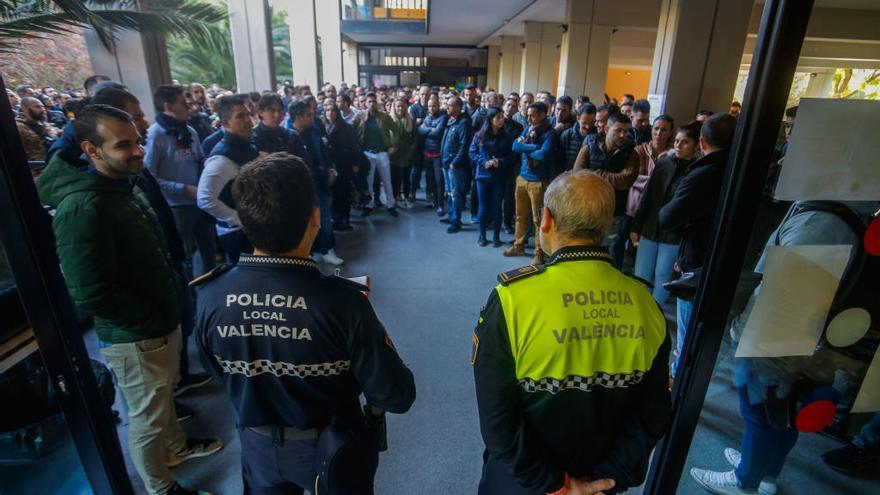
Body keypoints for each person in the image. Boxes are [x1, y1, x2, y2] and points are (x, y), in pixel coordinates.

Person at [194, 152, 416, 495]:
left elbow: (218, 370)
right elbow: (396, 394)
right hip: (330, 449)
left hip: (256, 447)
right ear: (315, 218)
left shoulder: (210, 295)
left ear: (244, 220)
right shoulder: (344, 302)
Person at [36, 105, 221, 495]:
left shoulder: (122, 185)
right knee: (147, 417)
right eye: (125, 145)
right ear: (91, 149)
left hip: (158, 323)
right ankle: (161, 487)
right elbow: (89, 291)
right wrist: (147, 317)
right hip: (136, 335)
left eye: (137, 140)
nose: (139, 150)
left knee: (162, 398)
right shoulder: (81, 207)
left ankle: (176, 447)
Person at [473, 170, 672, 495]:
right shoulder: (645, 304)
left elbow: (499, 424)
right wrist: (608, 478)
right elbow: (652, 414)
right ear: (608, 225)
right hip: (601, 481)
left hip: (524, 483)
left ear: (546, 219)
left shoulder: (512, 300)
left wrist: (559, 485)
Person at [690, 200, 876, 495]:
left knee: (760, 411)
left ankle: (745, 480)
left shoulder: (821, 222)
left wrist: (750, 329)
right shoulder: (844, 217)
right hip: (797, 337)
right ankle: (765, 472)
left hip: (775, 335)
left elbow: (786, 295)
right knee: (783, 412)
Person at [659, 113, 737, 377]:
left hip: (699, 263)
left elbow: (668, 217)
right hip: (728, 262)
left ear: (701, 143)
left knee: (688, 333)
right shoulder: (740, 169)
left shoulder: (704, 174)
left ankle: (678, 381)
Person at [145, 85, 216, 278]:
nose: (189, 107)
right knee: (184, 255)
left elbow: (199, 158)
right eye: (183, 103)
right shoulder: (156, 135)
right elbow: (149, 177)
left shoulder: (190, 131)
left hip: (200, 201)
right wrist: (182, 188)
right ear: (168, 106)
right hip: (176, 206)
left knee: (209, 250)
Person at [630, 121, 701, 304]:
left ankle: (655, 312)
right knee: (641, 274)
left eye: (685, 142)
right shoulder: (664, 162)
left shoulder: (696, 170)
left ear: (696, 145)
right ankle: (639, 309)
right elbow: (647, 196)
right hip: (650, 227)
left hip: (674, 233)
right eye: (677, 141)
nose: (678, 145)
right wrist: (636, 225)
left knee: (663, 274)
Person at [574, 113, 639, 269]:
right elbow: (578, 174)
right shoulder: (590, 145)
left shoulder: (631, 153)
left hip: (614, 212)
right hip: (588, 209)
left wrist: (597, 174)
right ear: (606, 128)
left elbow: (626, 180)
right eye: (618, 130)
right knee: (585, 250)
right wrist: (611, 177)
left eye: (626, 131)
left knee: (610, 255)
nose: (623, 135)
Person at [198, 95, 257, 264]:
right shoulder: (221, 159)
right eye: (240, 116)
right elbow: (204, 199)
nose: (247, 120)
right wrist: (237, 219)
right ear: (225, 123)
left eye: (247, 114)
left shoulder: (245, 145)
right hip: (237, 234)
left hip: (251, 229)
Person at [287, 100, 344, 266]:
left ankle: (326, 249)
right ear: (298, 117)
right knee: (304, 221)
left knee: (325, 218)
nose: (313, 116)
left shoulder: (313, 131)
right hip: (300, 186)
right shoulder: (288, 135)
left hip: (320, 182)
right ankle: (307, 252)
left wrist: (329, 169)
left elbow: (323, 153)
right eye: (309, 114)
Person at [504, 102, 556, 265]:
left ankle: (539, 253)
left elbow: (543, 155)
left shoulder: (550, 134)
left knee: (538, 220)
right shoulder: (528, 130)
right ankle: (518, 245)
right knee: (520, 216)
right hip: (522, 178)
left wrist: (526, 148)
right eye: (528, 114)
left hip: (538, 182)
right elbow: (515, 146)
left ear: (543, 115)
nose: (529, 117)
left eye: (532, 114)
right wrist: (533, 146)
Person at [470, 107, 514, 247]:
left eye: (502, 117)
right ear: (490, 119)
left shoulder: (507, 137)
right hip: (482, 176)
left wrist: (499, 161)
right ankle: (482, 235)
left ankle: (496, 237)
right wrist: (484, 162)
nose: (501, 120)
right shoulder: (479, 135)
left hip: (499, 176)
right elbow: (472, 152)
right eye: (498, 117)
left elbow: (512, 157)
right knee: (483, 207)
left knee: (496, 207)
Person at [355, 92, 399, 217]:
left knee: (387, 180)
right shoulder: (361, 116)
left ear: (377, 102)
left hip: (382, 153)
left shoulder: (384, 117)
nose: (371, 104)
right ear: (365, 103)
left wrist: (393, 146)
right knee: (368, 182)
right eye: (369, 101)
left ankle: (391, 205)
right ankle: (369, 205)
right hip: (367, 153)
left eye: (374, 101)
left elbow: (395, 131)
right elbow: (351, 129)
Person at [322, 99, 360, 232]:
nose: (330, 113)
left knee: (344, 193)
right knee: (334, 194)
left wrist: (355, 163)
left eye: (332, 110)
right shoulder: (324, 127)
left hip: (344, 164)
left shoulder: (346, 127)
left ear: (337, 112)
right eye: (327, 110)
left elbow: (354, 146)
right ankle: (336, 220)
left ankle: (345, 220)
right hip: (331, 165)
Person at [440, 95, 472, 233]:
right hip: (446, 163)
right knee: (450, 192)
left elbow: (464, 146)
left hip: (455, 166)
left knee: (456, 193)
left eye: (451, 105)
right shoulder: (451, 120)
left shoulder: (463, 123)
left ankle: (456, 220)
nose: (448, 107)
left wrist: (455, 162)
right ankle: (452, 215)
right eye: (447, 104)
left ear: (459, 107)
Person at [502, 99, 525, 234]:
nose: (510, 108)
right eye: (508, 105)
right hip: (497, 163)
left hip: (512, 164)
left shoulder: (518, 127)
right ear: (503, 106)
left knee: (509, 196)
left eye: (514, 106)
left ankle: (507, 222)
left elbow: (516, 146)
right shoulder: (495, 123)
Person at [15, 96, 61, 160]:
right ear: (25, 109)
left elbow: (56, 133)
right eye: (38, 107)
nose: (43, 109)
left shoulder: (41, 122)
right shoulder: (19, 127)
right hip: (37, 165)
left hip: (54, 159)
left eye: (43, 106)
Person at [390, 97, 417, 207]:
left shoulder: (410, 119)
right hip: (393, 156)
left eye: (402, 106)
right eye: (398, 106)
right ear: (394, 107)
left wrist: (411, 152)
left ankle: (406, 197)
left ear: (405, 107)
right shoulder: (389, 120)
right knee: (394, 179)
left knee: (406, 178)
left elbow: (415, 139)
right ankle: (394, 198)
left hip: (407, 155)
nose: (400, 108)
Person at [558, 103, 597, 171]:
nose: (587, 127)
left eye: (591, 123)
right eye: (584, 123)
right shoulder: (567, 135)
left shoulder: (597, 136)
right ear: (578, 118)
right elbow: (560, 160)